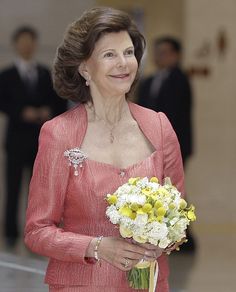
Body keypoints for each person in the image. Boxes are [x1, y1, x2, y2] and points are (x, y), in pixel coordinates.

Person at [24, 7, 185, 292]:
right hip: (81, 286)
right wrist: (97, 246)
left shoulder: (159, 127)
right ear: (85, 68)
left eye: (128, 52)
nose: (123, 63)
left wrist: (161, 240)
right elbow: (37, 232)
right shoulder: (59, 133)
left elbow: (178, 216)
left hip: (149, 284)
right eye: (109, 55)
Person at [0, 26, 67, 246]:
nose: (27, 45)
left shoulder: (45, 73)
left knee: (39, 190)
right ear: (16, 45)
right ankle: (10, 232)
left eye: (30, 41)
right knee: (13, 186)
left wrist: (47, 111)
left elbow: (58, 101)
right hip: (16, 139)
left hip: (40, 140)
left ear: (35, 44)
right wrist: (21, 112)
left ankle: (36, 232)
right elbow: (4, 102)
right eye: (23, 41)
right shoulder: (6, 75)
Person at [137, 37, 196, 252]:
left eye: (165, 52)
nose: (160, 56)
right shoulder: (149, 81)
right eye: (157, 51)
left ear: (176, 55)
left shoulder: (180, 79)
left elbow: (175, 116)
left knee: (175, 190)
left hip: (173, 147)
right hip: (148, 147)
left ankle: (182, 235)